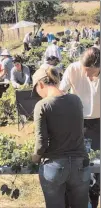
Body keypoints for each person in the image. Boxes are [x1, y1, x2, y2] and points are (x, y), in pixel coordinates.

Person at [32, 65, 90, 208]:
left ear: (40, 84)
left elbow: (41, 143)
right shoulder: (76, 100)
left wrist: (35, 158)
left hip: (55, 166)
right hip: (80, 165)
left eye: (37, 90)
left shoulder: (42, 105)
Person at [59, 47, 100, 208]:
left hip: (98, 123)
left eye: (90, 72)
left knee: (96, 165)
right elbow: (60, 92)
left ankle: (93, 200)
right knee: (74, 163)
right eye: (85, 71)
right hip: (76, 122)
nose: (87, 75)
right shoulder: (74, 69)